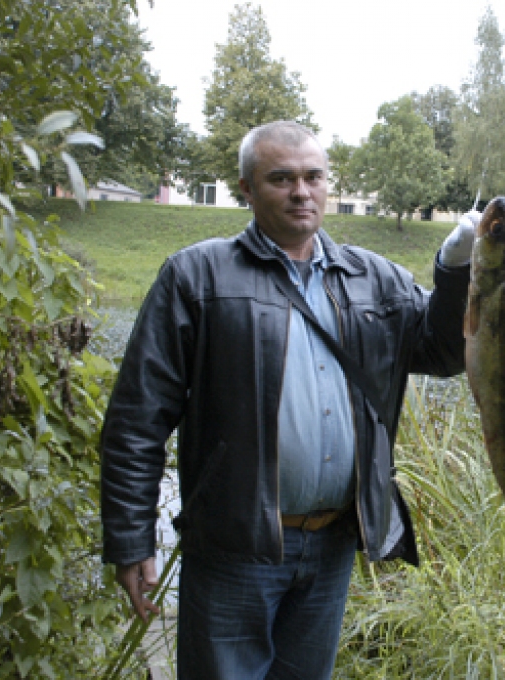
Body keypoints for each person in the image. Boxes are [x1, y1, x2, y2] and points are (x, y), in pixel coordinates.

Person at [100, 120, 480, 679]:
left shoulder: (374, 279)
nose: (301, 191)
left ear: (328, 184)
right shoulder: (197, 276)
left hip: (330, 547)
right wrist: (132, 539)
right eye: (281, 179)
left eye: (312, 177)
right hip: (235, 550)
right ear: (247, 189)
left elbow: (446, 353)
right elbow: (137, 420)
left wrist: (455, 270)